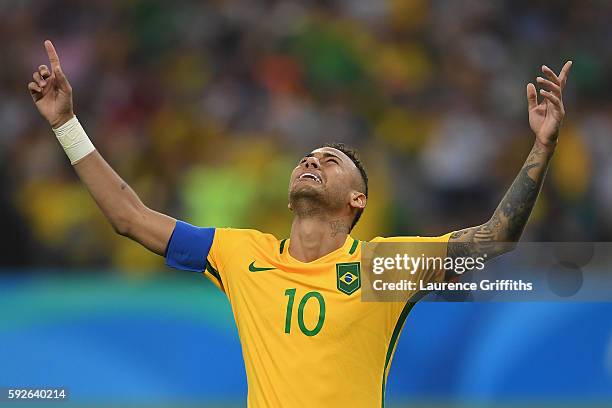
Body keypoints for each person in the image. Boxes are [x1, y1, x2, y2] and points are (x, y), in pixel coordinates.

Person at [28, 40, 571, 407]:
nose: (312, 161)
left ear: (357, 201)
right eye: (308, 157)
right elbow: (130, 218)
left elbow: (494, 239)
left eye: (330, 160)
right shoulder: (240, 254)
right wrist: (67, 125)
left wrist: (542, 148)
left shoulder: (382, 267)